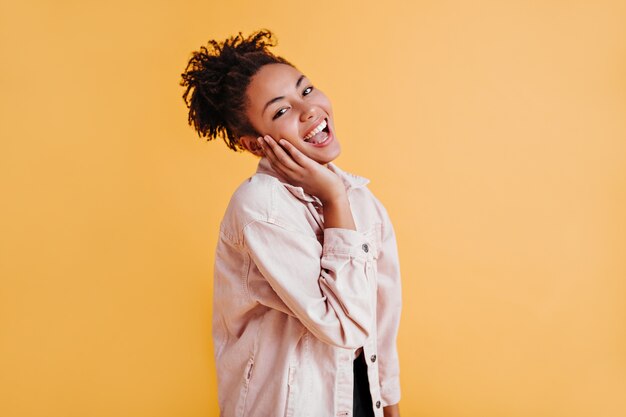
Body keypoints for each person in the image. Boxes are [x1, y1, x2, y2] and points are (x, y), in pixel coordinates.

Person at [180, 29, 402, 417]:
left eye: (307, 90)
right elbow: (343, 328)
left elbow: (381, 326)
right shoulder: (260, 207)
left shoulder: (362, 201)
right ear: (254, 143)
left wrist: (391, 407)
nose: (309, 110)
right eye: (281, 111)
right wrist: (333, 197)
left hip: (359, 402)